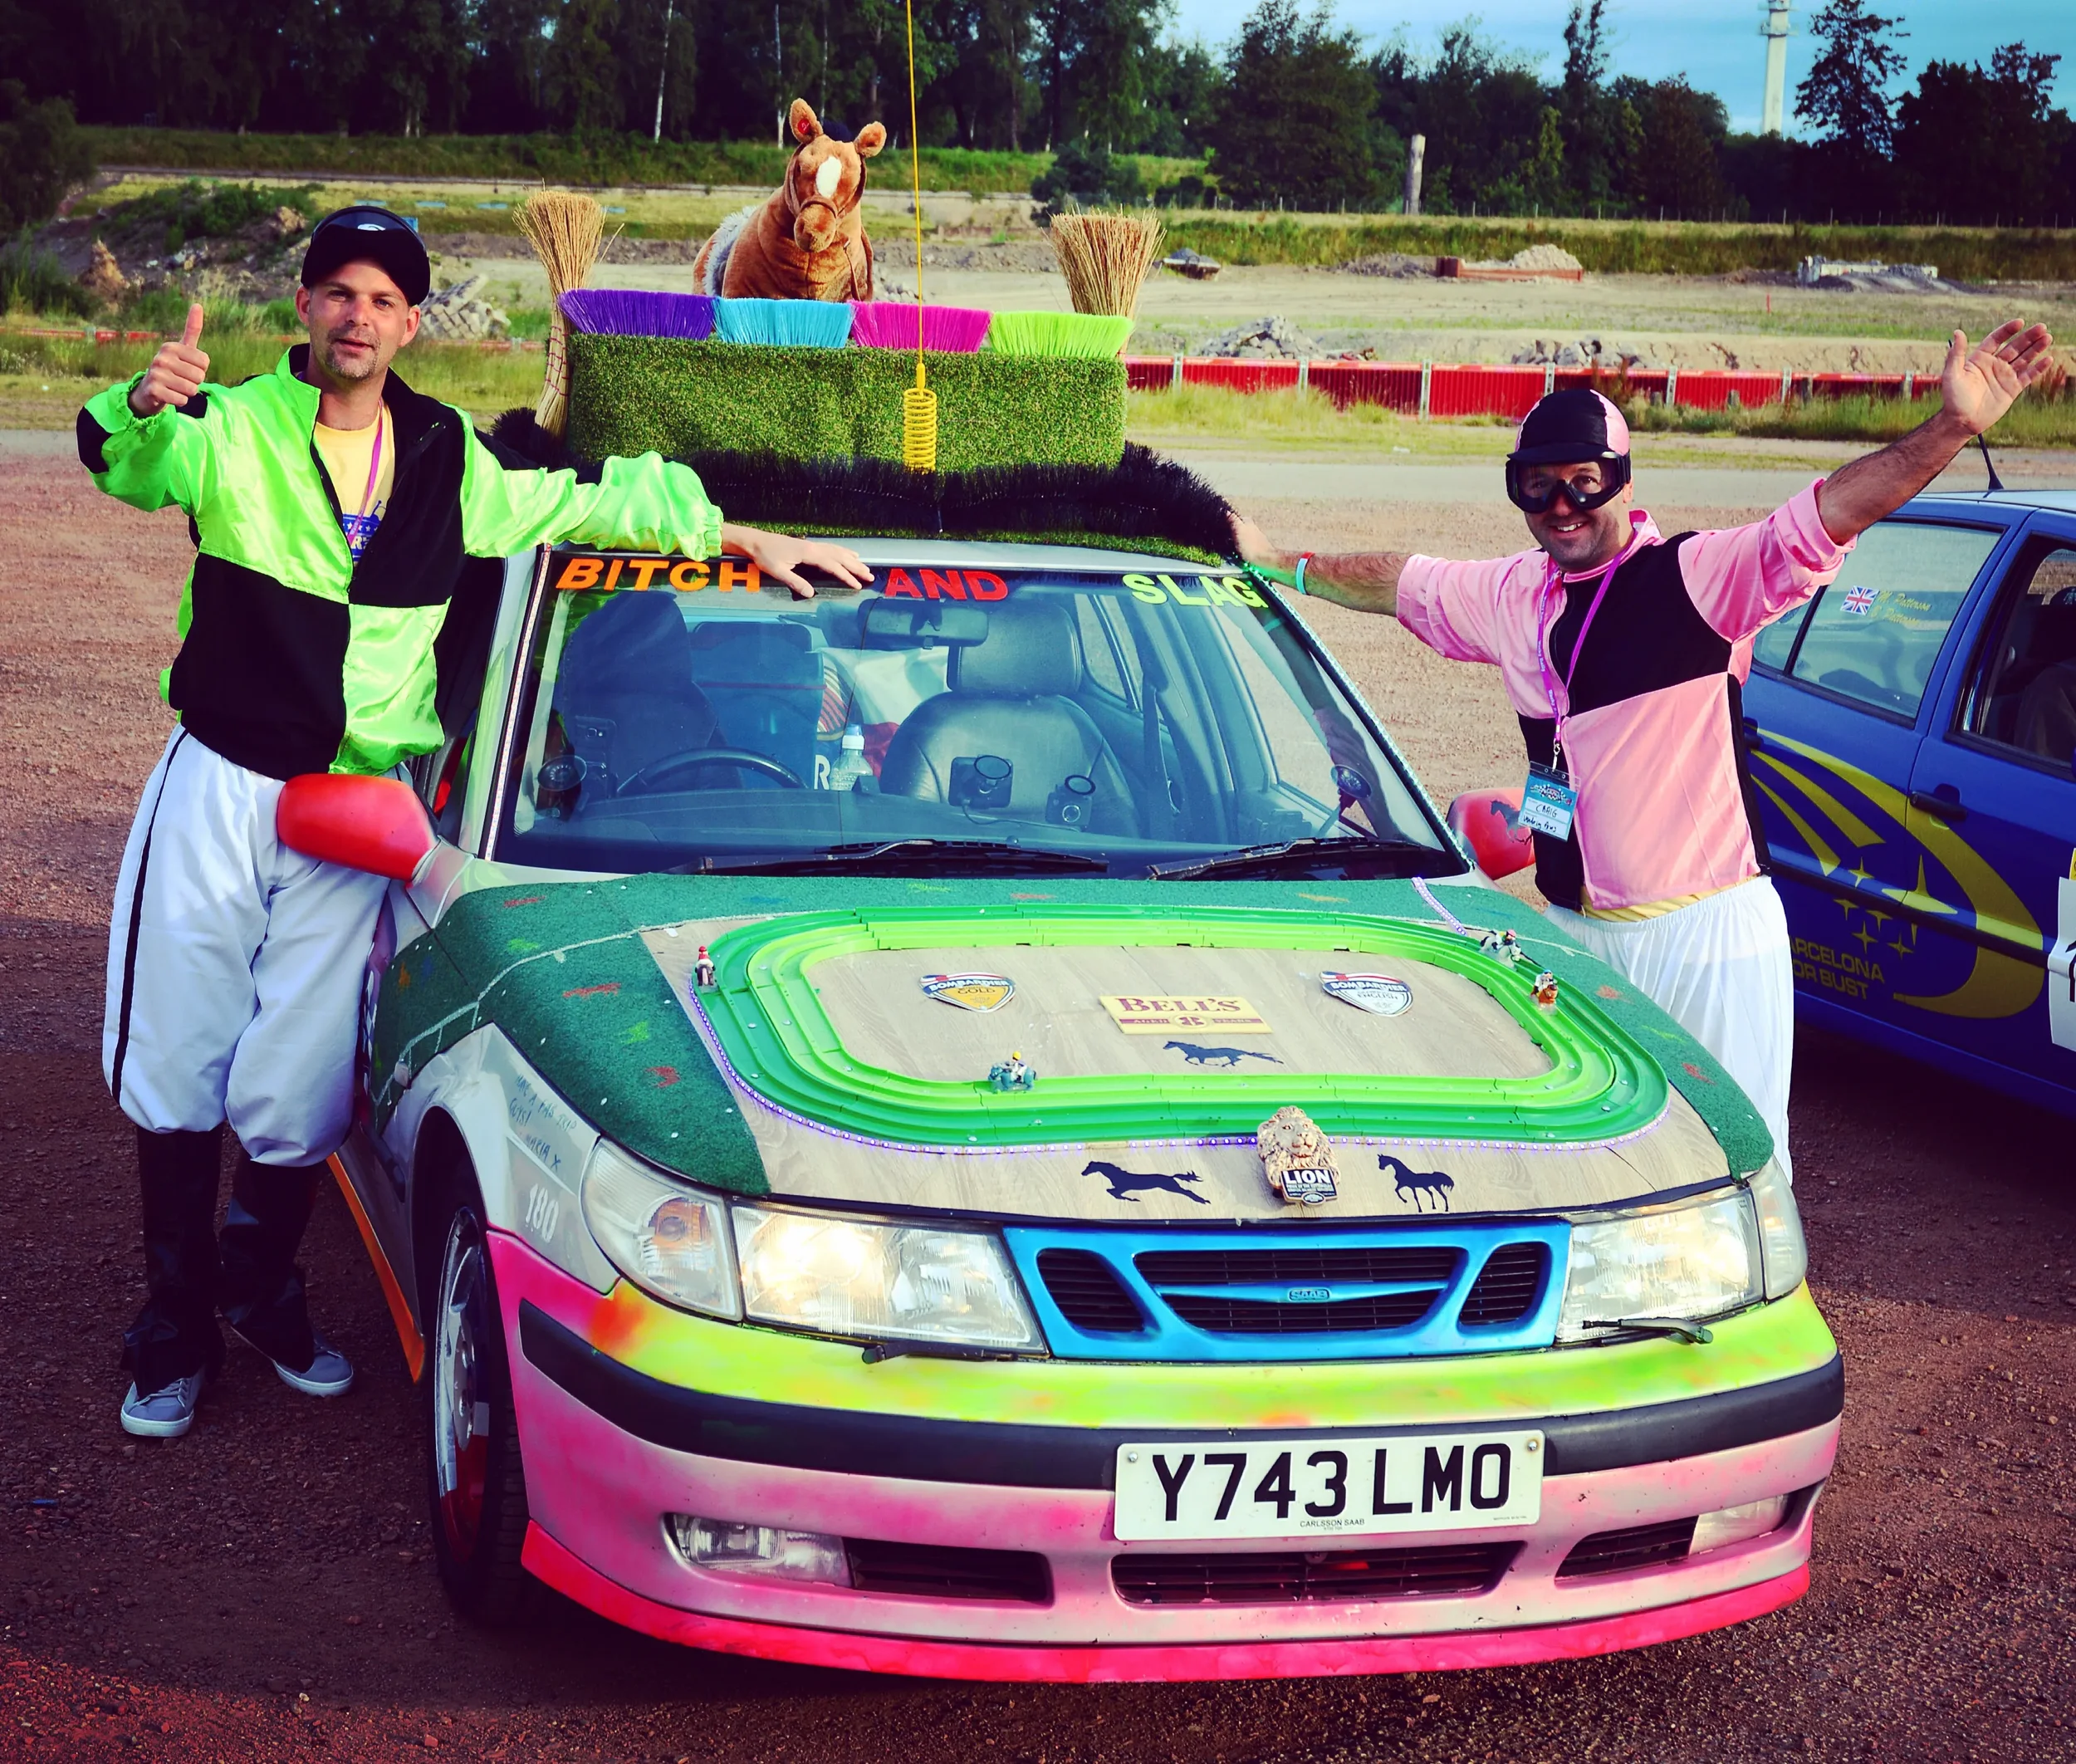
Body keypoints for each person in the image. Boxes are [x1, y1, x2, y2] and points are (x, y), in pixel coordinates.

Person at [81, 205, 872, 1438]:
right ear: (306, 308)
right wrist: (138, 402)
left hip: (357, 814)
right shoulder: (224, 426)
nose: (357, 317)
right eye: (336, 292)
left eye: (382, 299)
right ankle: (171, 1329)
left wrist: (740, 535)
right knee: (178, 1056)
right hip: (225, 781)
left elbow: (583, 507)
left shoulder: (448, 458)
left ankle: (258, 1292)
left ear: (409, 323)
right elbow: (128, 465)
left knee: (298, 1083)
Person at [1234, 321, 2055, 1183]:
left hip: (1703, 932)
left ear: (1620, 482)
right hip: (1574, 931)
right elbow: (1399, 580)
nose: (1561, 508)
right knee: (1592, 1168)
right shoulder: (1513, 593)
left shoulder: (1699, 578)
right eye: (1536, 488)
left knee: (1732, 1167)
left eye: (1583, 485)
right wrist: (1278, 561)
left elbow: (1833, 511)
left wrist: (1950, 429)